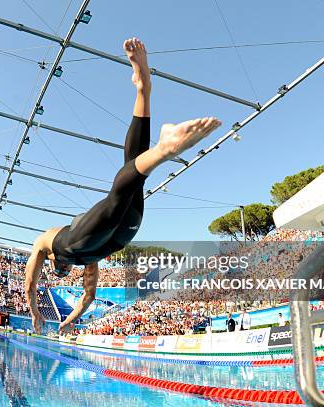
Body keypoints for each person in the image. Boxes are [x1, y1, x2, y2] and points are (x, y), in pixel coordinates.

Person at [24, 37, 222, 334]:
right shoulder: (87, 265)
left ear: (55, 265)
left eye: (60, 270)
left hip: (114, 234)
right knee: (133, 171)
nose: (63, 271)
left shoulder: (46, 244)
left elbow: (29, 284)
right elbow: (88, 297)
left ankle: (157, 126)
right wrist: (69, 320)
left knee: (128, 182)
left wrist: (36, 313)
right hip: (113, 238)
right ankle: (144, 89)